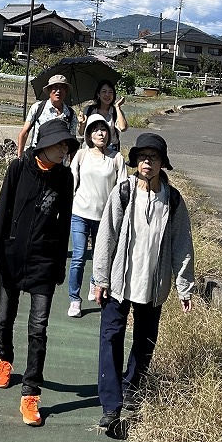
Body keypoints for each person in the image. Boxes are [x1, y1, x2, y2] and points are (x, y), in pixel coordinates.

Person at [92, 132, 195, 433]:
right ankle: (111, 406)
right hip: (118, 283)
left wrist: (184, 286)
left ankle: (132, 389)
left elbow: (182, 245)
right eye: (142, 156)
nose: (147, 161)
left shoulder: (173, 200)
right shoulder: (123, 191)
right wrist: (100, 278)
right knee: (111, 338)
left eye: (154, 157)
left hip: (153, 285)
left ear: (163, 163)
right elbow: (106, 236)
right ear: (136, 160)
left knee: (145, 341)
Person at [0, 118, 78, 427]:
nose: (64, 150)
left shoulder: (65, 177)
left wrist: (60, 265)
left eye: (67, 145)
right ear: (44, 145)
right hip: (12, 257)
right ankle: (5, 358)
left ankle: (30, 392)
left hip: (44, 263)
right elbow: (2, 211)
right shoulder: (18, 169)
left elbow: (64, 224)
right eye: (59, 144)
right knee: (5, 317)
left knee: (38, 329)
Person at [66, 115, 127, 317]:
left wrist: (120, 214)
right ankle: (74, 299)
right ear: (88, 135)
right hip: (80, 213)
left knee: (101, 256)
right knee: (78, 257)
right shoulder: (81, 155)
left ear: (109, 134)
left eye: (103, 130)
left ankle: (95, 283)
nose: (100, 134)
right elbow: (72, 182)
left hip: (104, 217)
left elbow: (122, 189)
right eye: (95, 130)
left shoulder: (116, 158)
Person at [16, 74, 78, 159]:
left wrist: (73, 165)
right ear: (49, 90)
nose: (58, 91)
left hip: (59, 162)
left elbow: (72, 139)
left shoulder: (71, 114)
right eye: (55, 87)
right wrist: (19, 157)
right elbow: (24, 133)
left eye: (62, 87)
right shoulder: (38, 107)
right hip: (36, 159)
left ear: (66, 91)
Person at [79, 81, 128, 149]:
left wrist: (117, 106)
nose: (107, 95)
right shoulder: (89, 110)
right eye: (104, 92)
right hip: (91, 148)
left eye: (110, 92)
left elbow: (123, 128)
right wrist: (81, 124)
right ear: (98, 94)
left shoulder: (116, 112)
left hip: (110, 149)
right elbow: (81, 133)